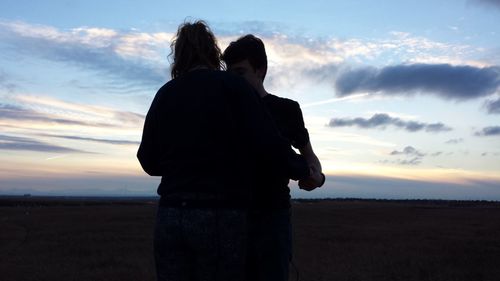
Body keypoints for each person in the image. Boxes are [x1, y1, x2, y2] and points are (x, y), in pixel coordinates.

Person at [137, 21, 310, 281]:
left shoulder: (165, 94)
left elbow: (147, 160)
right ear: (212, 53)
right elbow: (269, 145)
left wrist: (180, 165)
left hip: (170, 216)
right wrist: (305, 170)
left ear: (178, 56)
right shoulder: (233, 87)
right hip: (219, 216)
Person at [222, 34, 325, 281]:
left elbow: (311, 159)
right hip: (230, 218)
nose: (232, 81)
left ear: (261, 70)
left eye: (240, 73)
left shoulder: (287, 109)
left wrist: (317, 178)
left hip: (273, 218)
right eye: (228, 73)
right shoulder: (223, 110)